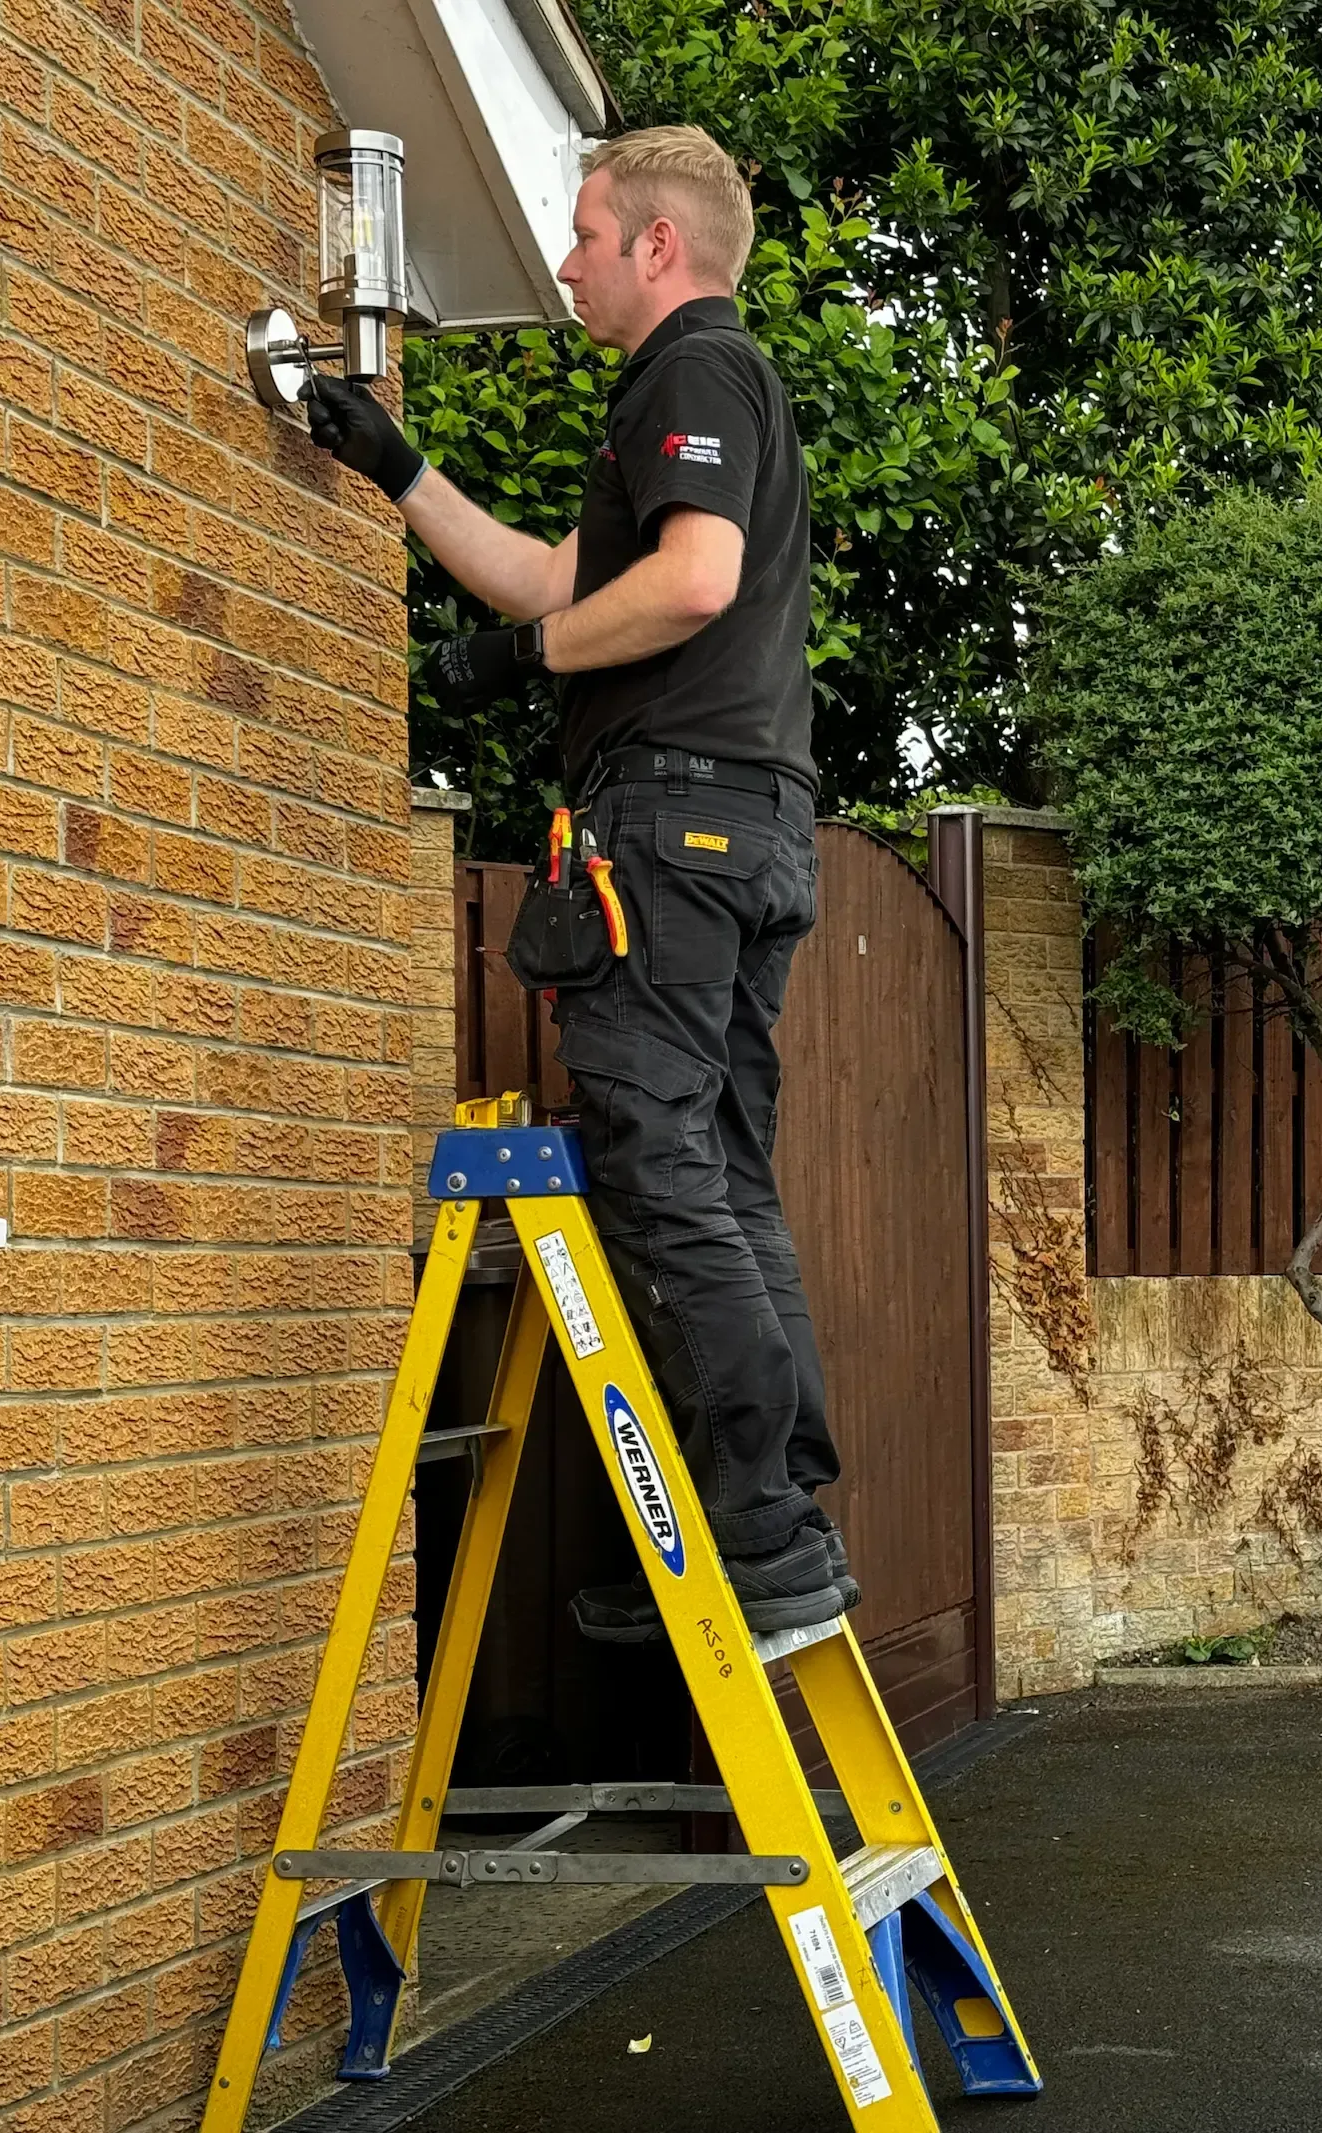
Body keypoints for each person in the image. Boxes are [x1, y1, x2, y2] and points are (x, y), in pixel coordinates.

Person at [302, 125, 856, 1640]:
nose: (565, 264)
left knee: (656, 1161)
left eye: (587, 235)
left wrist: (521, 662)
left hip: (674, 825)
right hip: (746, 823)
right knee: (720, 1170)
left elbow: (689, 581)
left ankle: (755, 1535)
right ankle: (784, 1528)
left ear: (660, 246)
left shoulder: (694, 367)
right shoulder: (717, 387)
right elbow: (561, 576)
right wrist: (398, 468)